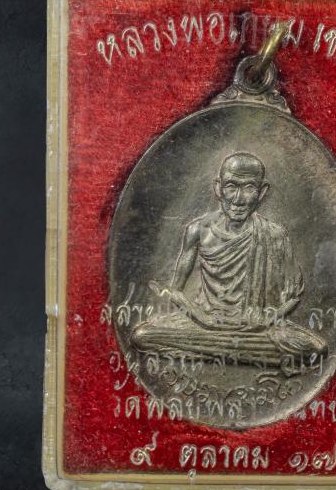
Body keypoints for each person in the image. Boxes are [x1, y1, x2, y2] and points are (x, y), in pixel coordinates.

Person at [131, 152, 325, 363]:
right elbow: (175, 291)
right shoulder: (198, 231)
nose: (238, 199)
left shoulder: (274, 235)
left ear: (262, 192)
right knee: (142, 336)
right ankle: (238, 352)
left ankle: (216, 351)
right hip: (204, 323)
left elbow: (294, 296)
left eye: (249, 188)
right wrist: (203, 319)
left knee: (316, 349)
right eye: (231, 186)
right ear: (218, 188)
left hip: (255, 328)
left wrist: (267, 320)